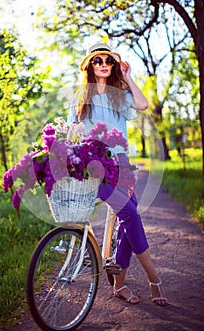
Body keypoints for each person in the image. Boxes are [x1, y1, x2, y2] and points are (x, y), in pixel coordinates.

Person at [67, 43, 169, 306]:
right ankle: (153, 277)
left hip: (122, 167)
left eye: (108, 60)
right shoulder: (80, 98)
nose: (103, 63)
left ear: (113, 65)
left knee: (129, 218)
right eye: (97, 59)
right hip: (94, 167)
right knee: (131, 214)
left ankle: (119, 285)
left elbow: (143, 104)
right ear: (89, 64)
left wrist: (127, 77)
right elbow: (71, 133)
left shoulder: (118, 95)